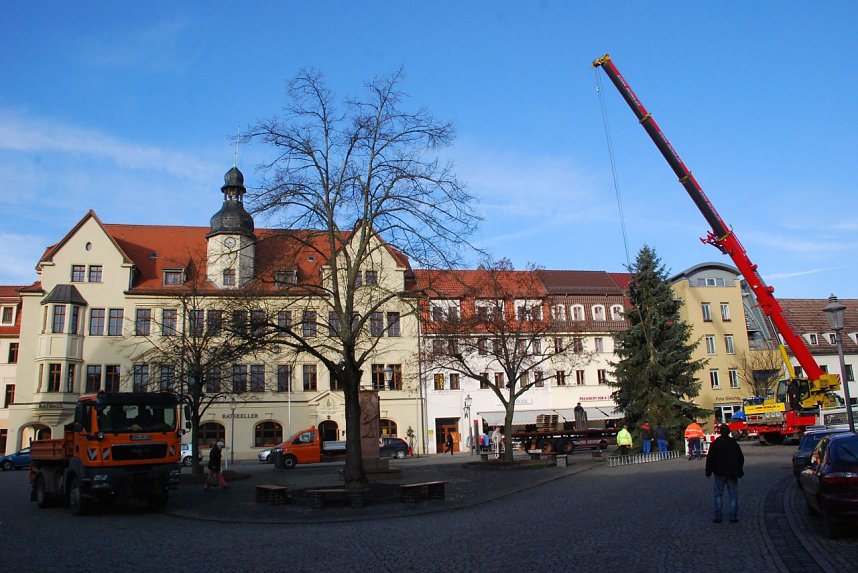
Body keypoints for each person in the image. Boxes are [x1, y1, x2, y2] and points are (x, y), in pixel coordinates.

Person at [705, 424, 744, 523]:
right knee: (733, 495)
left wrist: (708, 472)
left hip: (719, 473)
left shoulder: (715, 444)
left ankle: (718, 516)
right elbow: (741, 458)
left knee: (718, 495)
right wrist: (739, 470)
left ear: (720, 432)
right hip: (732, 473)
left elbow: (710, 459)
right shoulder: (734, 444)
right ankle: (733, 516)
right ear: (729, 432)